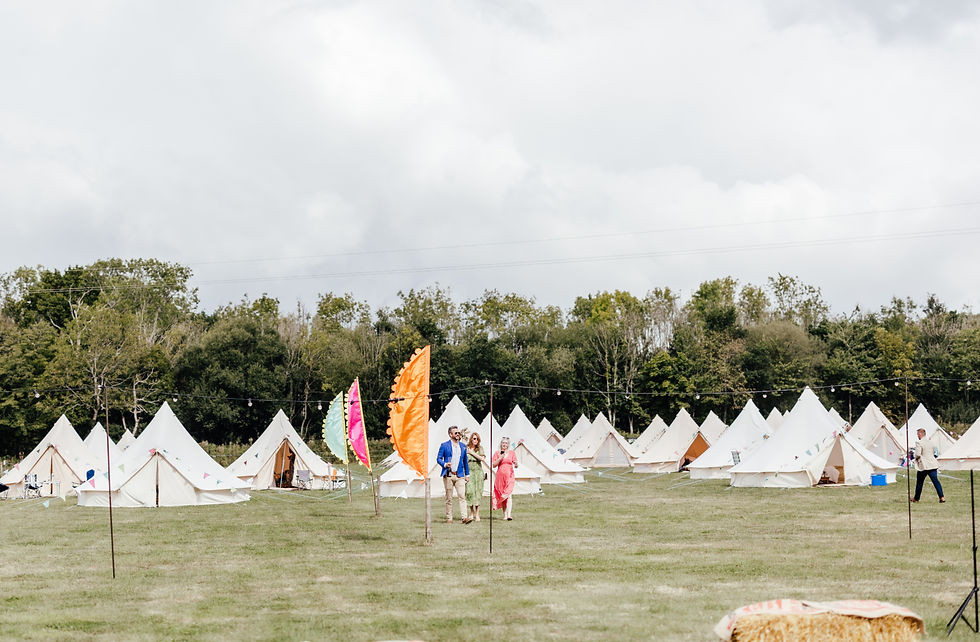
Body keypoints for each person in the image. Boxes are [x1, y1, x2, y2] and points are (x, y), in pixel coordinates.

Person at [436, 425, 470, 523]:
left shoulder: (463, 446)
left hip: (460, 475)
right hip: (448, 475)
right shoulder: (444, 445)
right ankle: (449, 518)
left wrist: (467, 475)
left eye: (458, 432)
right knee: (449, 498)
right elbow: (438, 459)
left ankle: (464, 518)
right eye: (456, 433)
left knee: (462, 496)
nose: (458, 434)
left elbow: (465, 462)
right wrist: (445, 464)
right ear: (450, 435)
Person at [912, 428, 945, 503]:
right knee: (936, 481)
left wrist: (915, 458)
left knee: (920, 482)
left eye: (918, 434)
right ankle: (942, 497)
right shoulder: (931, 442)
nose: (917, 436)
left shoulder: (919, 442)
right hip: (933, 464)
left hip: (924, 465)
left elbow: (917, 454)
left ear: (920, 434)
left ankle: (916, 498)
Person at [492, 436, 518, 521]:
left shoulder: (512, 453)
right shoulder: (497, 453)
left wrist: (516, 464)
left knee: (508, 494)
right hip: (500, 477)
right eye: (503, 443)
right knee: (503, 495)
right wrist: (500, 458)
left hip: (509, 476)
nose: (504, 444)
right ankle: (505, 515)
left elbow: (515, 464)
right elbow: (494, 465)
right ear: (501, 444)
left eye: (506, 443)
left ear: (508, 445)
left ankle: (509, 515)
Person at [465, 432, 486, 523]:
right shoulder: (466, 448)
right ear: (471, 439)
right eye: (474, 438)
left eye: (477, 439)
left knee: (477, 492)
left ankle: (477, 513)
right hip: (469, 472)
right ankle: (471, 513)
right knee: (469, 492)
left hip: (478, 472)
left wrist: (472, 453)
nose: (475, 440)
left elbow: (482, 458)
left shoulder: (480, 449)